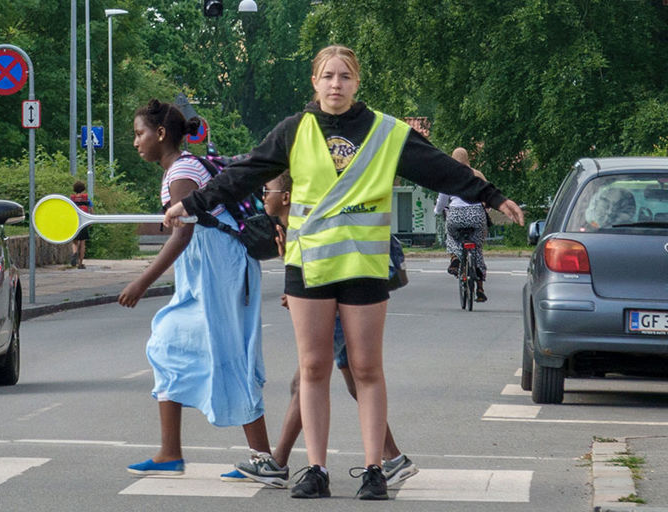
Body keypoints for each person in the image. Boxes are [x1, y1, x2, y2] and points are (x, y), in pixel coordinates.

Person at [167, 45, 525, 500]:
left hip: (363, 266)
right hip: (309, 267)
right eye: (328, 76)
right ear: (314, 83)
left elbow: (439, 170)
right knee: (314, 367)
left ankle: (375, 468)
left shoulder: (387, 132)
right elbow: (247, 173)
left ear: (357, 83)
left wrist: (491, 196)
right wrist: (190, 204)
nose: (336, 84)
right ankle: (315, 469)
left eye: (345, 76)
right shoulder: (294, 131)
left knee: (366, 368)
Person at [232, 173, 418, 488]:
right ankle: (395, 458)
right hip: (342, 294)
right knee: (353, 380)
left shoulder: (305, 224)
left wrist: (306, 298)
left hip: (345, 296)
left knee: (307, 379)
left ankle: (278, 463)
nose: (263, 194)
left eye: (268, 189)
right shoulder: (293, 226)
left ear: (287, 196)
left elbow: (321, 269)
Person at [118, 99, 272, 479]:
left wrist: (142, 281)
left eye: (139, 134)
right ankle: (170, 452)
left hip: (220, 271)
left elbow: (184, 232)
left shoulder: (182, 171)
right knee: (168, 345)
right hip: (208, 272)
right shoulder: (178, 169)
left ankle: (264, 460)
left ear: (161, 133)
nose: (135, 142)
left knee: (230, 355)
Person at [435, 147, 489, 302]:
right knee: (477, 248)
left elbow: (442, 202)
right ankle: (479, 288)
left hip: (456, 215)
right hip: (476, 215)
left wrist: (437, 211)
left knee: (451, 235)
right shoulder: (477, 175)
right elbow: (487, 195)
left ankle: (455, 258)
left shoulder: (448, 177)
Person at [69, 180, 91, 268]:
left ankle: (74, 253)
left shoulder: (71, 199)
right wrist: (91, 220)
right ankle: (80, 263)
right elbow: (91, 210)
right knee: (82, 242)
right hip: (84, 221)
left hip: (75, 221)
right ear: (83, 189)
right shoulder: (87, 199)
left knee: (74, 241)